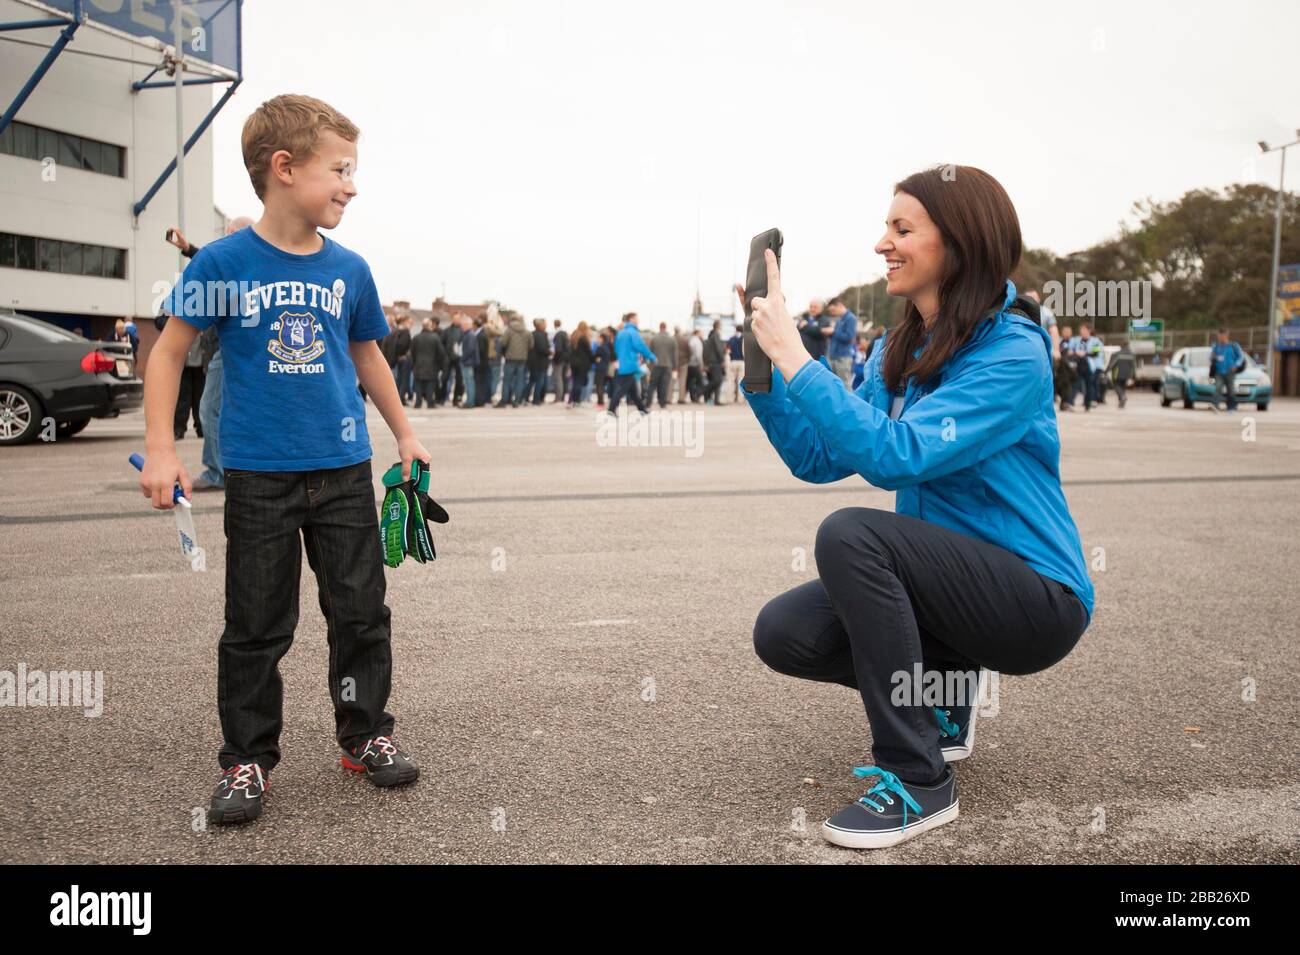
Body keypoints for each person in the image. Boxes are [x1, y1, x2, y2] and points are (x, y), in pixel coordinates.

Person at [738, 165, 1092, 850]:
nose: (883, 244)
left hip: (1036, 599)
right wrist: (767, 374)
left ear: (958, 243)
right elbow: (818, 456)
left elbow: (898, 453)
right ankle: (944, 699)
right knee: (783, 631)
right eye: (886, 227)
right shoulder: (899, 351)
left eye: (902, 229)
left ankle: (919, 778)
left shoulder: (1012, 354)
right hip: (954, 596)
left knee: (853, 535)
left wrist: (798, 354)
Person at [142, 94, 428, 826]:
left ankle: (365, 735)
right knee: (256, 625)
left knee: (361, 613)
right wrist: (162, 450)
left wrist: (405, 433)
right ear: (283, 168)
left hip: (341, 471)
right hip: (259, 476)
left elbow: (367, 355)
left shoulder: (350, 269)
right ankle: (246, 758)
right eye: (339, 168)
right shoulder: (223, 261)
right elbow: (169, 351)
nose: (351, 185)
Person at [607, 312, 654, 415]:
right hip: (630, 364)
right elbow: (640, 346)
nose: (638, 321)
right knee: (622, 390)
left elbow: (616, 348)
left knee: (633, 391)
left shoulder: (621, 333)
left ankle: (642, 409)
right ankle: (611, 409)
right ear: (631, 319)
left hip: (623, 364)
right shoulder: (632, 332)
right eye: (637, 318)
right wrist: (652, 357)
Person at [411, 317, 446, 409]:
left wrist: (414, 363)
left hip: (418, 365)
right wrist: (439, 364)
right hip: (431, 365)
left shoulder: (416, 337)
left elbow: (412, 352)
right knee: (430, 385)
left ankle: (418, 402)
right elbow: (441, 353)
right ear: (429, 326)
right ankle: (430, 402)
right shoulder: (435, 338)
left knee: (418, 384)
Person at [1209, 327, 1246, 413]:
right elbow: (1211, 357)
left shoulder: (1233, 346)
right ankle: (1215, 405)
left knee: (1231, 390)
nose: (1220, 338)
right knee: (1218, 387)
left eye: (1221, 336)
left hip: (1230, 371)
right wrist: (1213, 357)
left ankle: (1231, 407)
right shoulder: (1216, 346)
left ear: (1226, 335)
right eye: (1218, 336)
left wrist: (1236, 365)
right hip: (1219, 371)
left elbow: (1241, 357)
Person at [497, 313, 530, 407]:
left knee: (507, 381)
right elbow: (531, 345)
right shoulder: (527, 331)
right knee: (519, 381)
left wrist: (505, 352)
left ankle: (504, 400)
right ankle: (517, 401)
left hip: (510, 358)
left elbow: (502, 342)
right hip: (522, 359)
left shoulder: (509, 331)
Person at [827, 298, 859, 387]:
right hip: (834, 357)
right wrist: (830, 334)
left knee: (845, 386)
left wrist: (833, 332)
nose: (832, 313)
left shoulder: (851, 318)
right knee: (835, 385)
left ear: (839, 305)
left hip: (843, 358)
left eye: (833, 310)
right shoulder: (839, 319)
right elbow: (837, 336)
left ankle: (849, 401)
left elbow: (849, 337)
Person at [649, 321, 677, 409]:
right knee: (664, 384)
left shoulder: (654, 338)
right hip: (667, 365)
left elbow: (650, 352)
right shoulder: (672, 339)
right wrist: (675, 366)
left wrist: (650, 365)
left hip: (656, 365)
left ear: (660, 327)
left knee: (652, 384)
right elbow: (675, 354)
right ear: (666, 328)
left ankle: (648, 402)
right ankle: (662, 403)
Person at [567, 321, 594, 409]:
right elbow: (589, 351)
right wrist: (593, 360)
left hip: (573, 363)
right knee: (579, 382)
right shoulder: (584, 338)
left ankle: (571, 400)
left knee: (575, 382)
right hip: (582, 364)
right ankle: (576, 401)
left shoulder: (573, 336)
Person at [526, 318, 550, 405]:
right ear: (540, 325)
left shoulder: (532, 334)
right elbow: (542, 348)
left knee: (531, 381)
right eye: (544, 324)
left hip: (532, 362)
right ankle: (536, 399)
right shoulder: (541, 335)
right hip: (540, 362)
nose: (546, 325)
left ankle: (525, 397)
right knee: (539, 381)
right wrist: (550, 352)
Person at [458, 313, 479, 408]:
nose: (461, 327)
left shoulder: (470, 335)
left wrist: (462, 358)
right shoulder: (468, 335)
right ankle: (469, 401)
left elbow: (470, 349)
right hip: (467, 362)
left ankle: (470, 402)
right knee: (468, 383)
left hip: (467, 363)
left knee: (469, 383)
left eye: (462, 325)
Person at [1107, 339, 1136, 409]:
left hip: (1117, 373)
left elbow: (1112, 364)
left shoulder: (1116, 354)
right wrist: (1133, 376)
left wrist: (1106, 371)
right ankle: (1121, 402)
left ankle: (1122, 396)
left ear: (1121, 346)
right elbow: (1133, 366)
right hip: (1127, 374)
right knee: (1122, 387)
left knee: (1117, 386)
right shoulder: (1132, 354)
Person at [703, 320, 726, 404]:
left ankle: (716, 400)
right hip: (716, 362)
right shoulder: (716, 336)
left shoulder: (710, 336)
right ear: (718, 326)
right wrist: (722, 360)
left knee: (715, 380)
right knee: (718, 380)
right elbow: (719, 349)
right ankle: (703, 390)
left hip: (711, 362)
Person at [551, 319, 570, 404]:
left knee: (558, 378)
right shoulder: (565, 333)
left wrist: (555, 358)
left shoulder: (558, 334)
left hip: (559, 360)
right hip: (565, 359)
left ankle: (558, 397)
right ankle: (562, 397)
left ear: (554, 324)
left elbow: (558, 348)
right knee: (563, 378)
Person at [725, 322, 745, 404]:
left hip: (733, 361)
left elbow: (727, 351)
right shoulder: (744, 339)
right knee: (741, 381)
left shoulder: (731, 339)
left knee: (730, 381)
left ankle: (729, 399)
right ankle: (740, 399)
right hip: (742, 362)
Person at [674, 326, 691, 404]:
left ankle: (668, 398)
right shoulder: (684, 340)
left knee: (671, 381)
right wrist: (687, 359)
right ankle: (681, 399)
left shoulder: (672, 339)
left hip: (673, 365)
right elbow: (690, 351)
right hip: (683, 363)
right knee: (682, 381)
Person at [687, 328, 705, 402]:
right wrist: (701, 364)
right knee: (701, 382)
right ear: (697, 333)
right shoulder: (697, 342)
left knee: (691, 381)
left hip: (689, 364)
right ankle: (697, 395)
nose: (702, 334)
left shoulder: (690, 340)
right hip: (696, 364)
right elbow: (698, 355)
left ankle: (693, 397)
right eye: (701, 333)